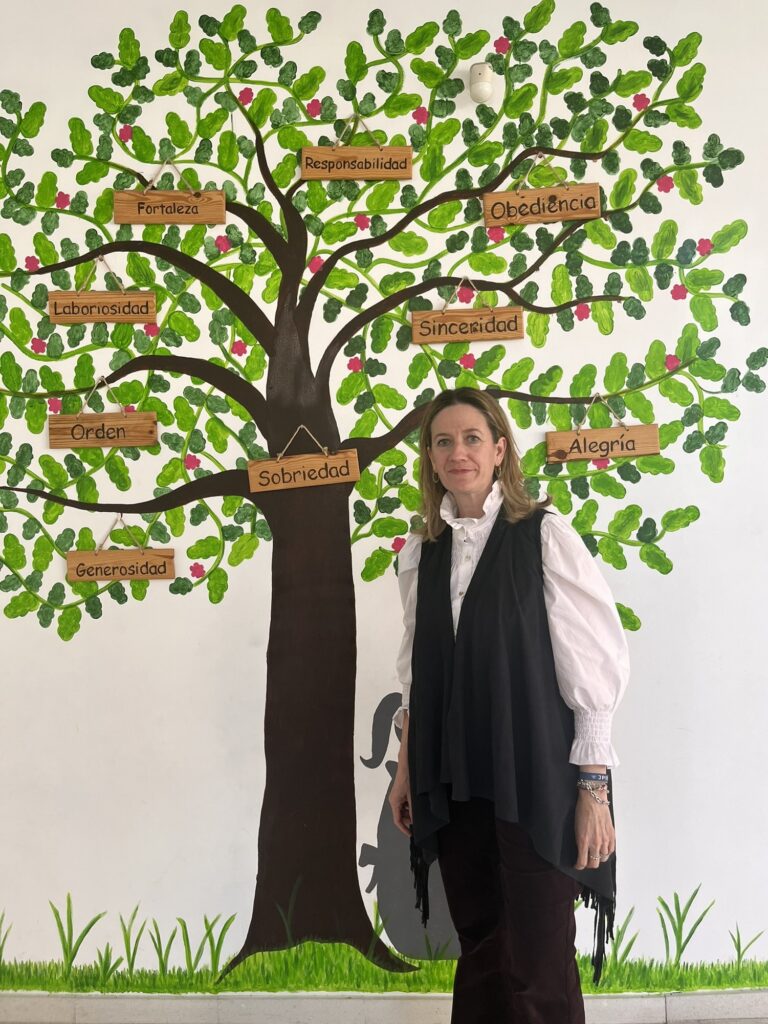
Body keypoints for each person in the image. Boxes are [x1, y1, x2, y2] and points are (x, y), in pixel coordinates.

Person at [388, 387, 629, 1024]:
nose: (457, 452)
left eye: (472, 438)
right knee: (483, 946)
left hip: (537, 777)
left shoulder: (543, 536)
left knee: (541, 954)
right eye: (444, 441)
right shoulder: (423, 552)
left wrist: (594, 788)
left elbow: (594, 670)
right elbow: (417, 674)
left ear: (500, 451)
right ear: (430, 459)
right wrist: (407, 766)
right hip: (456, 776)